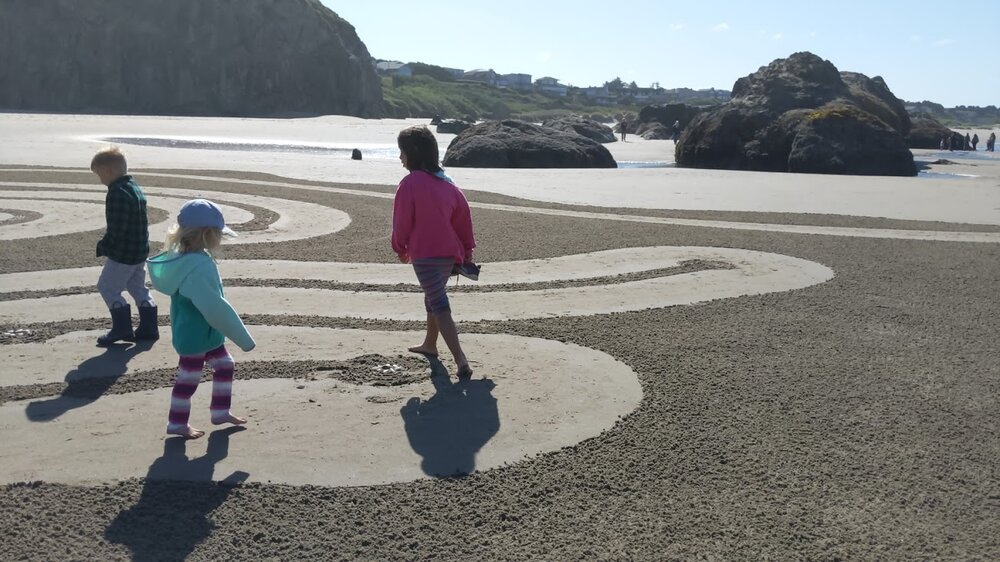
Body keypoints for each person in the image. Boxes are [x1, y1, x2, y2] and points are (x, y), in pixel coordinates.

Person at [147, 199, 256, 439]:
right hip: (196, 336)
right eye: (219, 234)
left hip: (203, 333)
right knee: (188, 380)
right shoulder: (198, 266)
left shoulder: (181, 258)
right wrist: (243, 338)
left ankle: (220, 411)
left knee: (225, 365)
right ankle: (176, 423)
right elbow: (213, 307)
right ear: (207, 235)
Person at [392, 126, 476, 379]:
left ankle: (461, 359)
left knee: (439, 303)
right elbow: (463, 218)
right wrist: (468, 249)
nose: (400, 158)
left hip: (426, 255)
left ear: (413, 153)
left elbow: (402, 221)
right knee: (433, 296)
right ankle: (430, 344)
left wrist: (399, 246)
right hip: (449, 254)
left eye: (402, 152)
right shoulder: (448, 184)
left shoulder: (409, 183)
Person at [90, 147, 158, 347]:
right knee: (138, 287)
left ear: (108, 170)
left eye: (99, 174)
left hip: (123, 253)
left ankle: (121, 328)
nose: (100, 179)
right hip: (139, 251)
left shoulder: (116, 193)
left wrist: (105, 246)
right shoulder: (134, 187)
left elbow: (117, 228)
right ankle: (149, 328)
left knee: (107, 288)